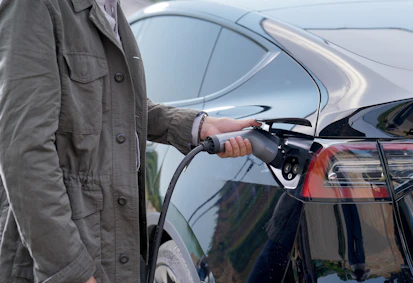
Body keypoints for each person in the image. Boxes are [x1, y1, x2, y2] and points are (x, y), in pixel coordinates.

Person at [0, 1, 260, 282]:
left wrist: (200, 126)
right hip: (68, 262)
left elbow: (115, 106)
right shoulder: (35, 6)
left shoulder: (111, 9)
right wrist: (71, 272)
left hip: (111, 254)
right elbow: (23, 152)